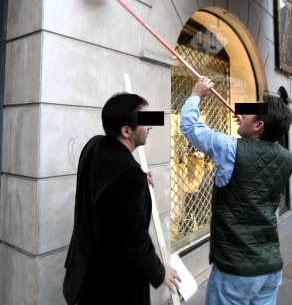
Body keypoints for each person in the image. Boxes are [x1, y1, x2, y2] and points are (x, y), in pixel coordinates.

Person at [180, 77, 292, 305]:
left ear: (259, 126)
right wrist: (247, 125)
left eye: (250, 112)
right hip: (269, 267)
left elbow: (190, 127)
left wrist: (196, 94)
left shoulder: (231, 149)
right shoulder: (286, 157)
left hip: (235, 270)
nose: (242, 113)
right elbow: (259, 148)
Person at [63, 92, 180, 305]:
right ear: (126, 131)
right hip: (116, 288)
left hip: (85, 274)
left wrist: (138, 178)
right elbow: (135, 239)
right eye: (145, 122)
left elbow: (108, 185)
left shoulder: (94, 145)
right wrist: (160, 272)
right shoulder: (129, 176)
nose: (151, 126)